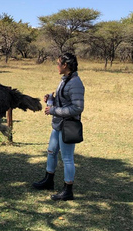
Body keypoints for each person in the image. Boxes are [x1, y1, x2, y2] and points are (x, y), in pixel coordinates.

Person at [32, 52, 85, 201]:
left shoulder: (75, 83)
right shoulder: (65, 80)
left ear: (65, 65)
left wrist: (54, 110)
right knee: (51, 151)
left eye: (58, 63)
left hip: (68, 125)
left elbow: (78, 108)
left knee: (67, 158)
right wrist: (52, 99)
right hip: (58, 124)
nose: (57, 66)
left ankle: (68, 191)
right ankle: (48, 180)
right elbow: (65, 101)